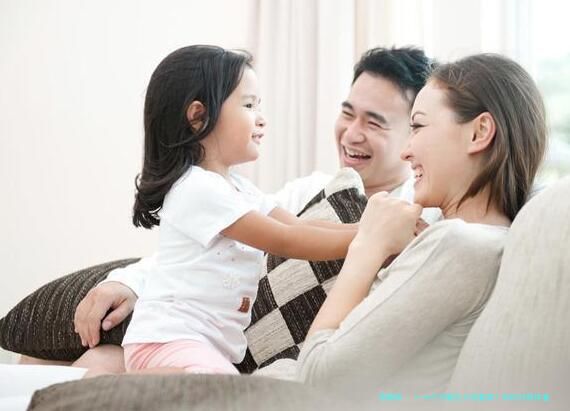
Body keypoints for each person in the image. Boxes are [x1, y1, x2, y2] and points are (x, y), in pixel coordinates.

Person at [21, 46, 438, 370]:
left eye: (374, 122)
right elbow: (283, 238)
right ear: (199, 117)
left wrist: (377, 232)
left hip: (233, 349)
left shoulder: (427, 218)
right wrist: (128, 282)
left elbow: (288, 232)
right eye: (347, 114)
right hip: (181, 338)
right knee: (80, 361)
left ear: (413, 132)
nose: (351, 133)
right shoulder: (259, 190)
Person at [263, 53, 545, 403]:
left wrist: (368, 245)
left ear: (479, 132)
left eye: (418, 127)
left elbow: (318, 377)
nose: (405, 152)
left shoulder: (458, 245)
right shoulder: (481, 241)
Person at [84, 45, 359, 376]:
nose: (261, 118)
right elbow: (287, 240)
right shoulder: (197, 189)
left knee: (224, 387)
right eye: (249, 105)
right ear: (199, 116)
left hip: (197, 345)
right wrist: (369, 239)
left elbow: (300, 226)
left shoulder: (238, 188)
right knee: (226, 391)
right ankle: (116, 386)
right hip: (169, 340)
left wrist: (368, 228)